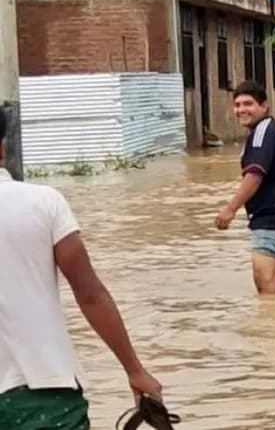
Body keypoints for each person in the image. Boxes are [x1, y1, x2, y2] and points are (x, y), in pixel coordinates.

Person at [0, 108, 166, 428]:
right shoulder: (43, 203)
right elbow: (89, 293)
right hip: (45, 392)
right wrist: (134, 369)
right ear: (3, 147)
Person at [215, 81, 275, 294]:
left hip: (271, 221)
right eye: (237, 105)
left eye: (248, 104)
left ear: (264, 106)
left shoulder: (263, 133)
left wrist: (230, 208)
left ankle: (273, 328)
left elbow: (254, 175)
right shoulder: (274, 129)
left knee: (267, 292)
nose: (241, 110)